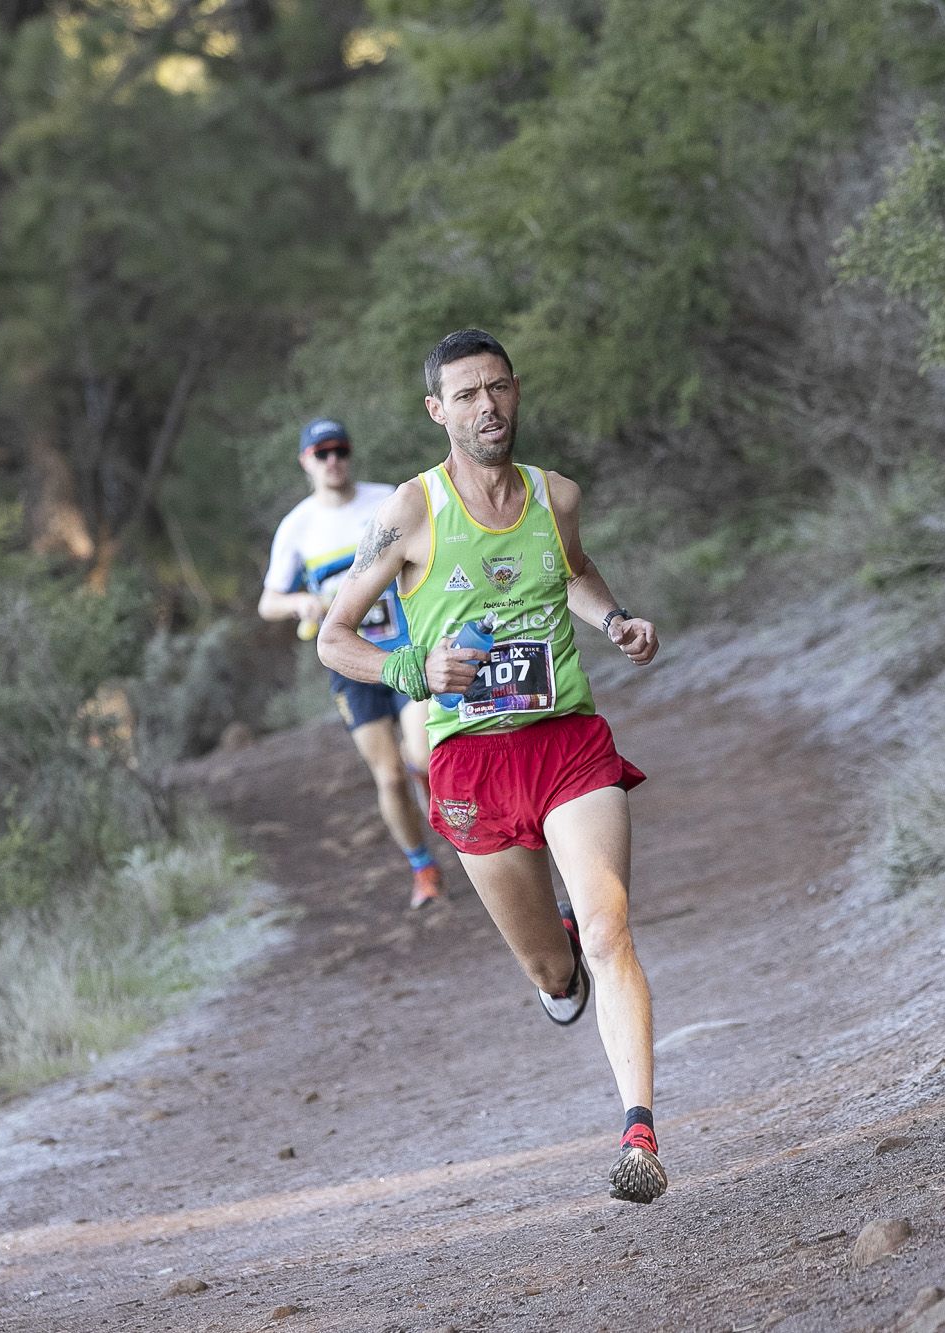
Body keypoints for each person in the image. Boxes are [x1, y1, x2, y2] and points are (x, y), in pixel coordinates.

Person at [317, 330, 668, 1203]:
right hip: (471, 766)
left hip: (565, 744)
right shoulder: (408, 512)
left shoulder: (558, 495)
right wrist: (412, 669)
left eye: (498, 388)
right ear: (439, 410)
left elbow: (577, 572)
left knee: (608, 925)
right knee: (556, 970)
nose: (487, 407)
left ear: (516, 392)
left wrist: (614, 618)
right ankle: (559, 968)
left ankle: (639, 1135)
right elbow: (335, 636)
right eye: (467, 394)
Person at [260, 417, 445, 910]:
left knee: (424, 756)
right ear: (306, 462)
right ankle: (422, 869)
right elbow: (268, 601)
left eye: (340, 450)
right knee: (387, 777)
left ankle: (432, 789)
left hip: (406, 650)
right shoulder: (297, 526)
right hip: (349, 663)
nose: (333, 461)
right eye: (322, 453)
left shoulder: (390, 499)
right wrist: (300, 603)